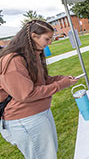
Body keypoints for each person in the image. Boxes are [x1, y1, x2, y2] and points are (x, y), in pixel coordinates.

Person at [0, 20, 79, 159]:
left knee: (50, 153)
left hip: (39, 114)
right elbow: (27, 94)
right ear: (34, 36)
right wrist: (60, 85)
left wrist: (62, 79)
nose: (50, 43)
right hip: (26, 119)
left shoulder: (32, 55)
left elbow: (42, 80)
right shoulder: (13, 60)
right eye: (47, 39)